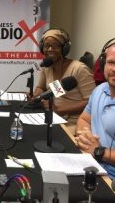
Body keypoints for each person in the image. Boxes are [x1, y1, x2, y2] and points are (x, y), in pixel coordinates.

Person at [33, 28, 96, 135]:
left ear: (64, 48)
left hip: (74, 123)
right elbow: (41, 87)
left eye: (56, 45)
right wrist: (37, 96)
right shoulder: (47, 67)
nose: (50, 49)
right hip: (53, 117)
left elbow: (92, 102)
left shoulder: (79, 69)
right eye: (47, 45)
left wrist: (60, 110)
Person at [75, 40, 115, 179]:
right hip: (91, 164)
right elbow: (84, 119)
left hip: (110, 178)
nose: (114, 69)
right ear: (103, 64)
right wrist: (85, 135)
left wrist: (99, 151)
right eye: (111, 62)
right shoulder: (99, 90)